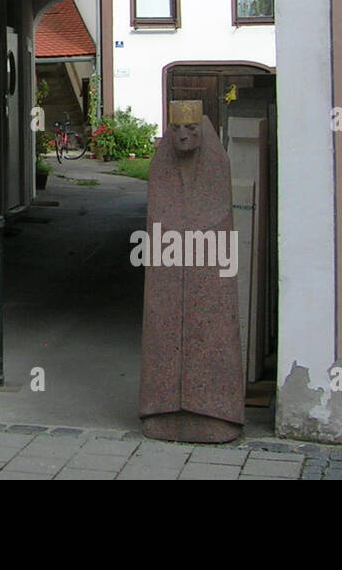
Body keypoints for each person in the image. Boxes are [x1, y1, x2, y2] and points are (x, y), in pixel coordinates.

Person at [138, 100, 245, 443]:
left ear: (203, 132)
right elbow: (159, 219)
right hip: (167, 268)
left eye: (191, 129)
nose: (183, 136)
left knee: (212, 332)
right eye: (177, 129)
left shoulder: (217, 166)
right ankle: (162, 409)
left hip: (208, 270)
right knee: (163, 328)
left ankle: (217, 413)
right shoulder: (161, 168)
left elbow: (217, 218)